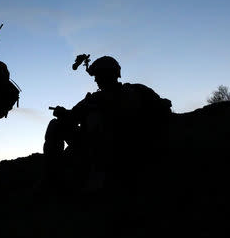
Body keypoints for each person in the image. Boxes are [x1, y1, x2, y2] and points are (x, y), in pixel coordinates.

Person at [42, 55, 172, 189]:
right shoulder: (129, 91)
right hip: (103, 147)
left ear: (107, 74)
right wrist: (64, 113)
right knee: (56, 124)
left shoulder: (131, 92)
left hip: (121, 150)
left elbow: (163, 108)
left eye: (97, 75)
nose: (95, 80)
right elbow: (72, 116)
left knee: (61, 125)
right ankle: (53, 177)